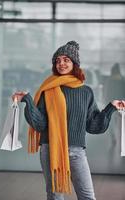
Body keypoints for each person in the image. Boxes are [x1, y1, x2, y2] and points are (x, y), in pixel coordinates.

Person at [12, 41, 125, 200]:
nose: (61, 63)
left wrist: (111, 107)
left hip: (77, 151)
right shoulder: (48, 90)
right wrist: (28, 101)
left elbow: (93, 125)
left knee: (87, 196)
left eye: (66, 60)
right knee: (55, 196)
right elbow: (41, 124)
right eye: (57, 60)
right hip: (51, 149)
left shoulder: (86, 91)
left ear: (74, 63)